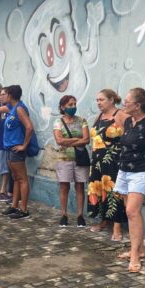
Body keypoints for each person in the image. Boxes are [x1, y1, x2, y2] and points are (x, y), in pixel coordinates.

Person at [114, 88, 145, 273]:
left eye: (127, 101)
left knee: (132, 211)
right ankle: (139, 249)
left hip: (142, 171)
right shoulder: (128, 121)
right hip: (124, 170)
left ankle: (135, 256)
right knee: (132, 213)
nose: (123, 104)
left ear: (137, 105)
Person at [87, 89, 128, 240]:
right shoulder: (99, 116)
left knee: (114, 191)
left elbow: (130, 136)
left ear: (111, 100)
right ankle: (104, 221)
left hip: (113, 160)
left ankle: (117, 227)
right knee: (99, 190)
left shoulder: (121, 115)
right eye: (97, 100)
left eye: (101, 100)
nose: (98, 103)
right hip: (97, 161)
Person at [53, 95, 89, 227]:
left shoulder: (82, 120)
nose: (73, 107)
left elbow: (87, 140)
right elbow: (59, 141)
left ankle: (80, 215)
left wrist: (67, 142)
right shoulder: (58, 122)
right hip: (64, 159)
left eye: (74, 104)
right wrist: (78, 140)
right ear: (63, 107)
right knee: (64, 187)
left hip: (80, 159)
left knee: (80, 186)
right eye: (70, 105)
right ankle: (64, 214)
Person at [0, 85, 34, 220]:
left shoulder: (19, 108)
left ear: (10, 96)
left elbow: (29, 127)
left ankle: (24, 209)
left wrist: (24, 145)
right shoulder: (12, 109)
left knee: (22, 179)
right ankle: (14, 206)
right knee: (15, 178)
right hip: (9, 148)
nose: (3, 96)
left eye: (5, 94)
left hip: (16, 148)